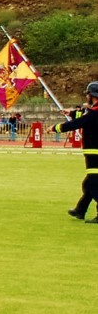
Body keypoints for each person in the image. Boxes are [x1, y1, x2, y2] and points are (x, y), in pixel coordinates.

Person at [59, 81, 98, 222]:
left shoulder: (94, 113)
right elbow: (86, 117)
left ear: (92, 96)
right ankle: (80, 210)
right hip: (94, 153)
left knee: (93, 184)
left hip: (95, 154)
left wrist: (56, 128)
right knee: (89, 184)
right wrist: (72, 113)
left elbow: (79, 122)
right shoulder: (94, 112)